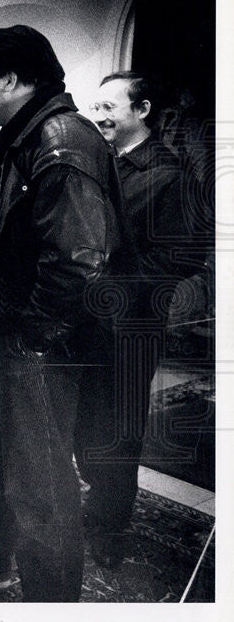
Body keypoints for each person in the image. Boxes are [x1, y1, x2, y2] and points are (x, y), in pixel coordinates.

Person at [0, 25, 120, 602]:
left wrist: (31, 337)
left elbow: (78, 262)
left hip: (36, 344)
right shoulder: (31, 131)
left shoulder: (61, 139)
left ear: (13, 79)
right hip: (10, 335)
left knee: (40, 490)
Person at [75, 71, 193, 567]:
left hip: (131, 329)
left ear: (141, 111)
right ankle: (96, 506)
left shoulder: (170, 175)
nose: (98, 116)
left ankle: (109, 531)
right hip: (87, 323)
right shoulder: (102, 163)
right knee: (84, 427)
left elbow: (178, 261)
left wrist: (107, 281)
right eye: (95, 107)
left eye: (109, 107)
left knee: (117, 433)